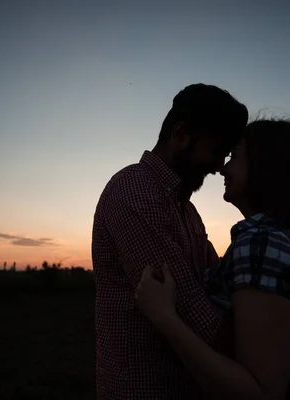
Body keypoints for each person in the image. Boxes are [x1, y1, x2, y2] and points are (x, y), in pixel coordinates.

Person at [135, 118, 290, 399]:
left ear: (267, 167)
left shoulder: (261, 241)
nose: (223, 168)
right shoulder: (269, 238)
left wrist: (164, 317)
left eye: (235, 157)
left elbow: (260, 392)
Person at [91, 83, 248, 399]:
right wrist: (281, 367)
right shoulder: (135, 193)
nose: (219, 167)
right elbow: (199, 320)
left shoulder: (187, 211)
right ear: (180, 135)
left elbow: (220, 289)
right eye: (217, 151)